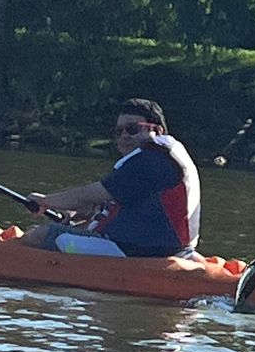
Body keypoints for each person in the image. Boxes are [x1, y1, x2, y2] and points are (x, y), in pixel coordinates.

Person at [22, 98, 203, 259]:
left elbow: (90, 194)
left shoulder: (149, 160)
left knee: (39, 236)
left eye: (132, 129)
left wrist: (45, 201)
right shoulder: (163, 157)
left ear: (158, 131)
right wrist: (78, 214)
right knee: (75, 227)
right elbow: (116, 204)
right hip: (168, 248)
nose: (124, 136)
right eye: (119, 131)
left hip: (138, 251)